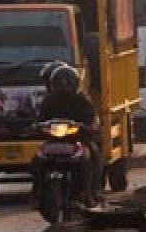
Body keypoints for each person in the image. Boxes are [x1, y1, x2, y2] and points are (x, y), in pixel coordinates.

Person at [36, 63, 100, 204]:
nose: (63, 88)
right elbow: (40, 120)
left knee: (93, 153)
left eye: (67, 83)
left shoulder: (83, 100)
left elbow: (92, 118)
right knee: (37, 160)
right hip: (53, 142)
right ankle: (38, 193)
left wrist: (90, 127)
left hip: (78, 139)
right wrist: (35, 127)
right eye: (59, 84)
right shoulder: (48, 101)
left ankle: (90, 192)